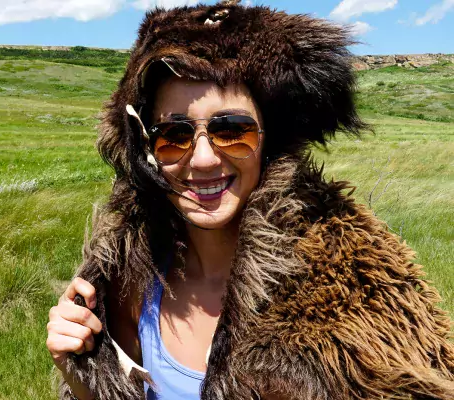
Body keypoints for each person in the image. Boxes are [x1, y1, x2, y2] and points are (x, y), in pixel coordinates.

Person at [46, 2, 454, 400]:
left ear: (267, 139)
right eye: (174, 136)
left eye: (231, 130)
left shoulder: (356, 288)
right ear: (147, 149)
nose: (203, 159)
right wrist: (79, 367)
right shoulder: (130, 283)